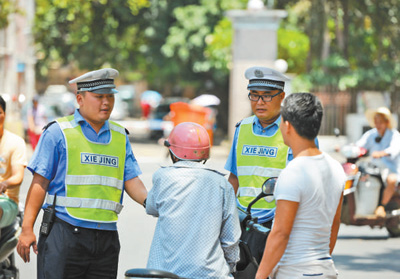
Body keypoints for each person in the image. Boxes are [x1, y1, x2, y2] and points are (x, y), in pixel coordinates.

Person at [16, 68, 148, 279]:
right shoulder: (58, 133)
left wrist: (151, 202)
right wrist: (26, 228)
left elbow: (131, 180)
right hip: (64, 231)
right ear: (80, 99)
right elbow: (40, 183)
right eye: (99, 97)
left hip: (107, 238)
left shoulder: (120, 136)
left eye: (110, 96)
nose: (106, 102)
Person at [256, 93, 345, 279]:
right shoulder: (335, 167)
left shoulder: (293, 172)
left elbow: (280, 234)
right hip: (325, 270)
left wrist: (260, 276)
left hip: (294, 272)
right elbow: (334, 224)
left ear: (287, 126)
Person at [225, 66, 305, 263]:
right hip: (242, 222)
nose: (259, 102)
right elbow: (233, 178)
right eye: (254, 95)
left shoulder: (296, 131)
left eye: (267, 96)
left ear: (282, 96)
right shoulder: (241, 128)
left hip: (279, 224)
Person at [146, 122, 241, 278]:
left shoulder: (162, 177)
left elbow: (151, 208)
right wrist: (230, 266)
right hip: (210, 274)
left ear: (172, 152)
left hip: (163, 274)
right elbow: (231, 239)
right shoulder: (222, 184)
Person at [356, 106, 400, 218]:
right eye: (376, 122)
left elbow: (394, 150)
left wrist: (381, 153)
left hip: (390, 169)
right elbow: (359, 146)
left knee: (392, 180)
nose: (378, 124)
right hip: (372, 168)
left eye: (380, 122)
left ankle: (382, 206)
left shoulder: (394, 135)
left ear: (387, 122)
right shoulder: (371, 134)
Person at [0, 95, 27, 230]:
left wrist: (4, 184)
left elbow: (18, 176)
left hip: (7, 201)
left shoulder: (15, 142)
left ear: (4, 114)